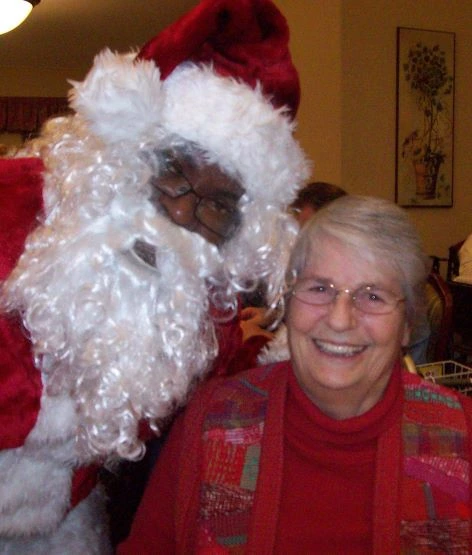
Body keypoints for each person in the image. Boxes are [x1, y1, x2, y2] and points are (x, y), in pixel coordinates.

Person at [0, 0, 310, 551]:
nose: (187, 213)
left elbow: (228, 377)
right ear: (129, 151)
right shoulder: (16, 200)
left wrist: (296, 350)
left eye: (219, 205)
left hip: (56, 529)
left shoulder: (198, 311)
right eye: (175, 175)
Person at [119, 195, 472, 553]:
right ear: (288, 303)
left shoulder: (463, 437)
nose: (339, 319)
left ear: (407, 325)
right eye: (319, 288)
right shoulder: (211, 421)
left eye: (374, 296)